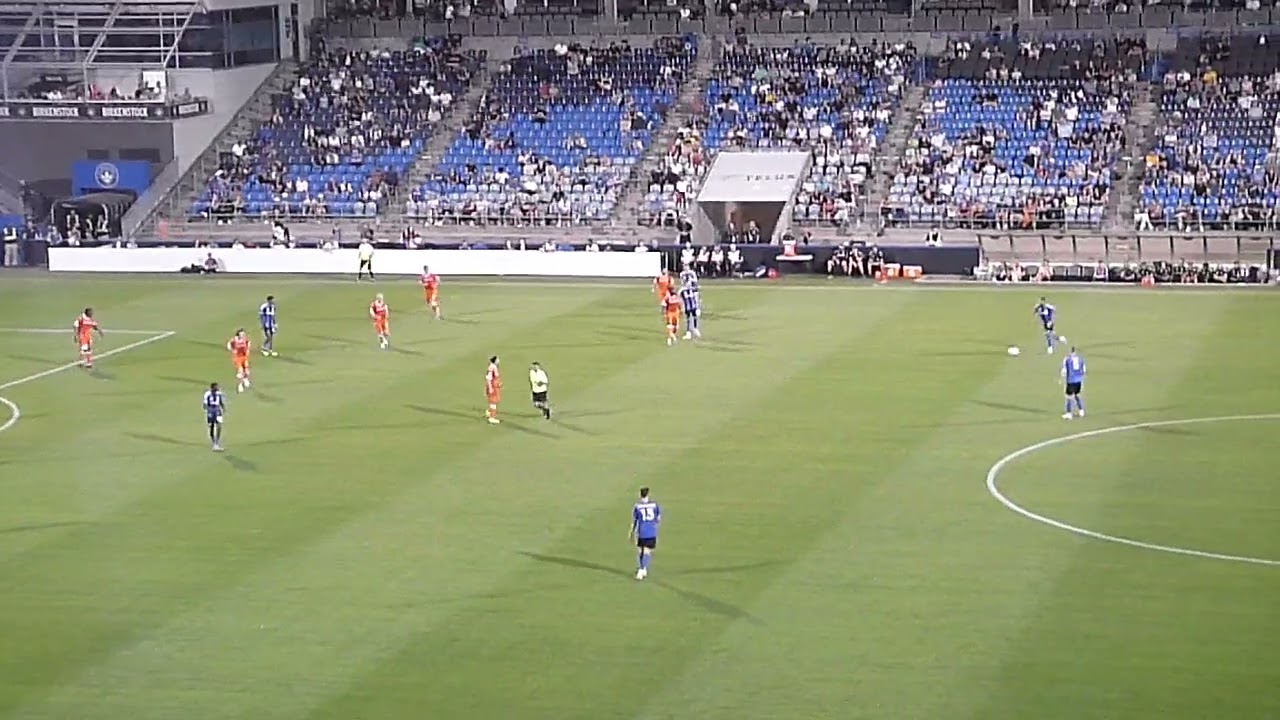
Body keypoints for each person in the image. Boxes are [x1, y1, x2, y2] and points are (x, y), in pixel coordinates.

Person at [629, 487, 661, 581]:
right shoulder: (654, 505)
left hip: (641, 532)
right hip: (651, 531)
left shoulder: (637, 506)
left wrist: (631, 533)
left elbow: (635, 521)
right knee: (647, 551)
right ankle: (643, 569)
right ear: (648, 494)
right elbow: (658, 519)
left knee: (640, 550)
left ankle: (642, 569)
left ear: (640, 495)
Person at [1061, 347, 1086, 420]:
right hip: (1079, 381)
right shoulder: (1081, 359)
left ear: (1070, 352)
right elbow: (1084, 371)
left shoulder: (1067, 360)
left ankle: (1069, 413)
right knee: (1077, 395)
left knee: (1068, 397)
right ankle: (1081, 411)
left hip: (1071, 381)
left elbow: (1064, 372)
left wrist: (1062, 379)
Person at [203, 382, 226, 452]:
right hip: (211, 410)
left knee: (219, 426)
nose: (217, 388)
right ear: (212, 388)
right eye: (216, 387)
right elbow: (204, 404)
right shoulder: (207, 394)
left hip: (218, 410)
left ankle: (217, 442)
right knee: (211, 426)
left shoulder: (219, 393)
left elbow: (221, 402)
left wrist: (223, 408)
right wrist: (208, 411)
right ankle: (214, 443)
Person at [679, 276, 702, 341]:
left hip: (693, 305)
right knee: (688, 319)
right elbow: (680, 299)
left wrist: (698, 307)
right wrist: (681, 307)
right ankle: (688, 333)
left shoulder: (693, 289)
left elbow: (697, 297)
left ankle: (695, 329)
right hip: (687, 306)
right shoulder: (682, 290)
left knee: (694, 317)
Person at [485, 355, 502, 424]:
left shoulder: (493, 367)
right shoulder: (492, 368)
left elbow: (495, 378)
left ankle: (489, 412)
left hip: (494, 387)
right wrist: (490, 388)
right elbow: (488, 378)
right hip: (492, 387)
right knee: (493, 402)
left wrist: (498, 383)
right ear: (495, 361)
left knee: (495, 401)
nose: (499, 361)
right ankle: (492, 418)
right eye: (498, 360)